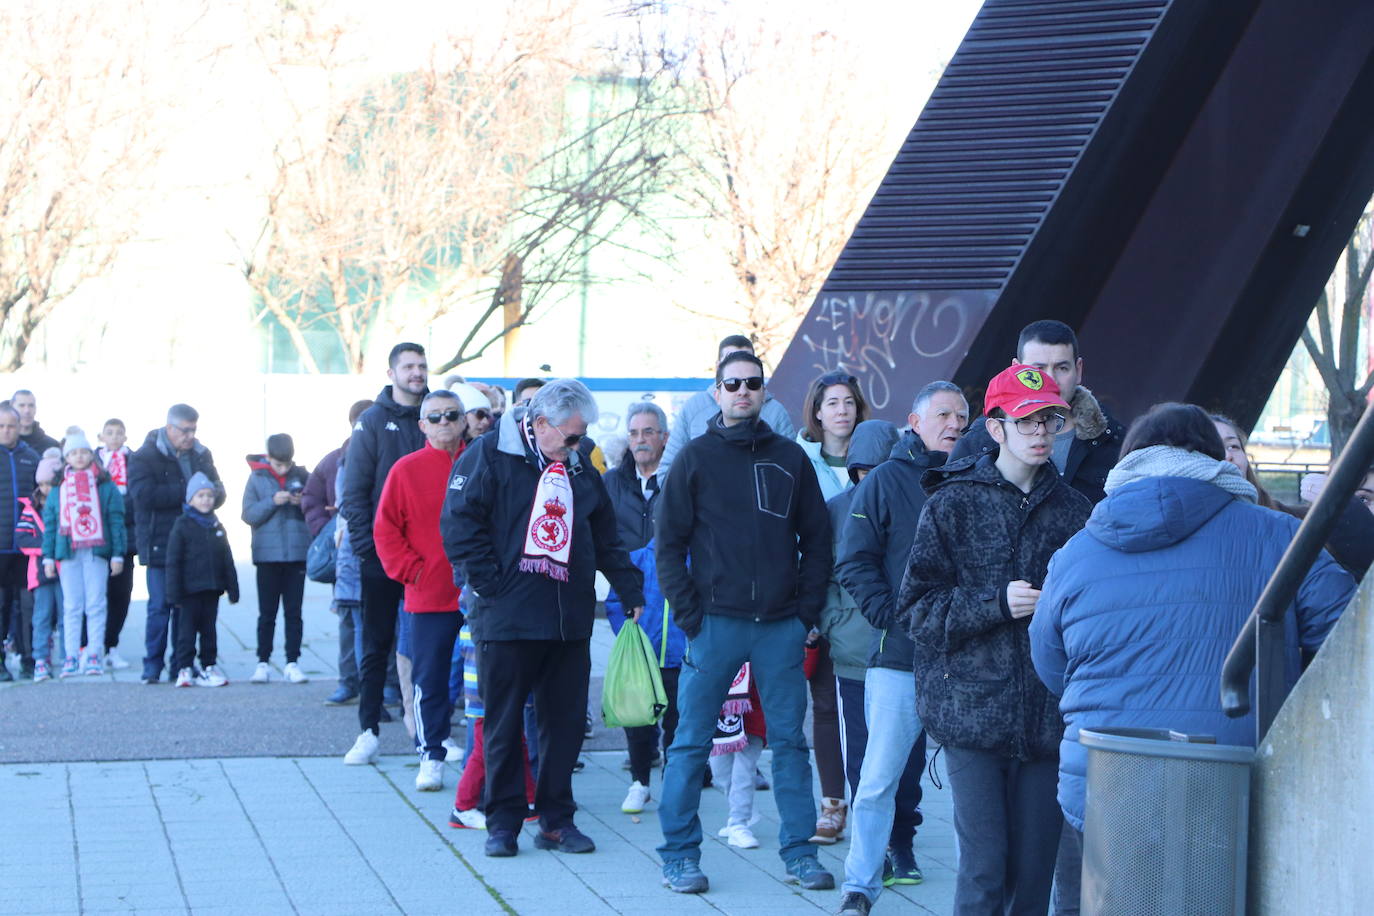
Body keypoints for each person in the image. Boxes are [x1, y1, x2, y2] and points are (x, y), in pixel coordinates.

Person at [1031, 403, 1355, 851]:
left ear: (1129, 460)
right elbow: (1350, 638)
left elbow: (1050, 663)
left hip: (1107, 776)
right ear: (1213, 457)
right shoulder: (1280, 535)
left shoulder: (1075, 553)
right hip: (1237, 777)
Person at [898, 364, 1091, 915]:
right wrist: (995, 604)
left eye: (1051, 419)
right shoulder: (952, 503)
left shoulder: (1077, 513)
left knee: (1032, 879)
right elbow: (916, 610)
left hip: (1049, 720)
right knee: (984, 871)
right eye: (1026, 420)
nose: (1040, 432)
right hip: (971, 716)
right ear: (996, 427)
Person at [654, 350, 833, 895]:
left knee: (790, 744)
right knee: (690, 743)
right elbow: (668, 546)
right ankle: (680, 854)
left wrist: (805, 611)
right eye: (732, 383)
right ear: (716, 391)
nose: (742, 392)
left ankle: (800, 853)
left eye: (752, 383)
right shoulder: (695, 459)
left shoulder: (790, 458)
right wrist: (692, 618)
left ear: (763, 392)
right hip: (716, 623)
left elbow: (818, 542)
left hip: (780, 625)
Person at [442, 378, 644, 858]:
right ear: (539, 424)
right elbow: (459, 525)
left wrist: (628, 586)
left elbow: (604, 532)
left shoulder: (576, 463)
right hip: (507, 618)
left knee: (565, 725)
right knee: (503, 723)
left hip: (566, 619)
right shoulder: (489, 456)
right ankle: (504, 822)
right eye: (571, 437)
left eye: (581, 437)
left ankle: (556, 820)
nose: (579, 446)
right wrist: (493, 586)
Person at [835, 383, 968, 916]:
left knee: (971, 789)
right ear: (914, 421)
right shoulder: (887, 480)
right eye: (943, 414)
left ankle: (976, 893)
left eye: (962, 414)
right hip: (900, 658)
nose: (954, 423)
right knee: (876, 781)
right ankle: (859, 887)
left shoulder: (980, 478)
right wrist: (890, 617)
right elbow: (854, 560)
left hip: (966, 660)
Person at [374, 389, 469, 791]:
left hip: (484, 593)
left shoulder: (483, 462)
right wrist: (414, 572)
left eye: (451, 415)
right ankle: (431, 754)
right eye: (435, 417)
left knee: (494, 679)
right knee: (429, 680)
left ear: (464, 420)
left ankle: (494, 757)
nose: (444, 422)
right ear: (422, 425)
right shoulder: (405, 470)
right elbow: (385, 530)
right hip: (429, 594)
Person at [340, 342, 429, 764]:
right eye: (409, 366)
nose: (417, 372)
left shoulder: (437, 415)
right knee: (375, 644)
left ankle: (431, 736)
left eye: (422, 365)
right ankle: (368, 731)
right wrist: (367, 550)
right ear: (391, 372)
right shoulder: (372, 422)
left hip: (428, 560)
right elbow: (354, 494)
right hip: (381, 557)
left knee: (428, 648)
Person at [795, 370, 868, 843]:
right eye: (832, 403)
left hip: (865, 605)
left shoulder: (878, 459)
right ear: (817, 413)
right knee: (825, 705)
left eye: (848, 402)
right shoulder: (800, 463)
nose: (841, 410)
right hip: (817, 595)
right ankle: (832, 804)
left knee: (867, 712)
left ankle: (872, 803)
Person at [950, 320, 1124, 504]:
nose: (1049, 379)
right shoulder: (978, 442)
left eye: (1062, 368)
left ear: (1078, 370)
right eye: (1037, 370)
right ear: (1015, 369)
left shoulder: (1115, 442)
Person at [1213, 414, 1374, 581]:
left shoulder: (1287, 520)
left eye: (1233, 446)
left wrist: (1340, 503)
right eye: (1212, 447)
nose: (1227, 455)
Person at [129, 404, 224, 684]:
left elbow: (218, 489)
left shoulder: (201, 454)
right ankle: (152, 666)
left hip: (195, 547)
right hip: (160, 543)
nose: (190, 436)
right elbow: (143, 495)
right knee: (159, 607)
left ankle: (180, 665)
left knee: (185, 610)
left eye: (194, 429)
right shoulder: (145, 456)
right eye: (185, 430)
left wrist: (206, 495)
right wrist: (190, 491)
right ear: (169, 428)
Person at [302, 399, 373, 705]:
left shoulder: (385, 454)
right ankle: (349, 682)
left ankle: (384, 685)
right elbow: (311, 497)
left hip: (377, 551)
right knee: (348, 621)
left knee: (381, 624)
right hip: (346, 555)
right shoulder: (334, 460)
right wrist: (326, 529)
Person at [42, 428, 126, 678]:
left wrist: (118, 554)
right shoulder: (59, 489)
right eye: (73, 453)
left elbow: (116, 520)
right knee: (71, 606)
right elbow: (51, 525)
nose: (79, 457)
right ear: (66, 457)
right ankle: (71, 655)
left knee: (96, 604)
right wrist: (48, 556)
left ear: (91, 455)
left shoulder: (105, 486)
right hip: (68, 552)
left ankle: (94, 654)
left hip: (97, 551)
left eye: (83, 452)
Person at [659, 335, 796, 475]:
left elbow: (793, 468)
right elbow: (667, 471)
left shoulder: (776, 412)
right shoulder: (693, 408)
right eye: (731, 358)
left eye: (746, 358)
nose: (739, 364)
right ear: (718, 366)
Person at [242, 434, 311, 685]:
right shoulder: (257, 478)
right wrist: (273, 501)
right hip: (266, 556)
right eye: (278, 464)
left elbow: (315, 508)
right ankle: (263, 662)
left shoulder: (303, 475)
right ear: (268, 457)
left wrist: (300, 502)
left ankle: (292, 662)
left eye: (286, 464)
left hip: (296, 554)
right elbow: (248, 514)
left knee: (294, 612)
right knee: (267, 613)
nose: (283, 468)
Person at [166, 472, 239, 687]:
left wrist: (233, 588)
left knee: (209, 630)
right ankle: (185, 667)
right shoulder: (182, 525)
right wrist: (173, 593)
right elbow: (173, 561)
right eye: (200, 496)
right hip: (189, 591)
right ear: (190, 499)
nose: (206, 500)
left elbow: (227, 559)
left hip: (212, 588)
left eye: (209, 495)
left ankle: (209, 665)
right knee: (186, 631)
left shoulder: (216, 526)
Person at [706, 664, 767, 848]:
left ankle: (738, 822)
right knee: (720, 770)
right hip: (718, 710)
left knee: (744, 769)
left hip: (753, 710)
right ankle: (739, 811)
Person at [0, 404, 38, 682]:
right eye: (1, 426)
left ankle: (29, 658)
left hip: (27, 548)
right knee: (1, 605)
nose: (6, 431)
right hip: (0, 547)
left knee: (28, 605)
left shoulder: (30, 457)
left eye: (10, 426)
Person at [96, 419, 136, 671]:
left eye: (119, 433)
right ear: (101, 436)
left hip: (127, 536)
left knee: (121, 594)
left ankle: (112, 644)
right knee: (97, 595)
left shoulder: (134, 461)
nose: (114, 437)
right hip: (97, 536)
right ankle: (92, 646)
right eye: (109, 433)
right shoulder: (91, 462)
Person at [603, 402, 668, 553]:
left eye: (648, 432)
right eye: (633, 433)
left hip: (667, 575)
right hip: (620, 574)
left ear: (664, 437)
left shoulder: (680, 481)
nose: (640, 440)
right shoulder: (609, 482)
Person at [19, 454, 61, 681]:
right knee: (41, 616)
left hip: (64, 570)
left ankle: (68, 658)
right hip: (40, 572)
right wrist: (46, 548)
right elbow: (22, 539)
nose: (46, 488)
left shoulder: (66, 505)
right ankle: (40, 660)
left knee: (66, 614)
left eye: (50, 484)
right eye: (42, 484)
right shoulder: (30, 509)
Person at [12, 390, 60, 454]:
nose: (27, 411)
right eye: (22, 405)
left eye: (31, 405)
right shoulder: (4, 444)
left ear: (35, 409)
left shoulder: (52, 446)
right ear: (12, 408)